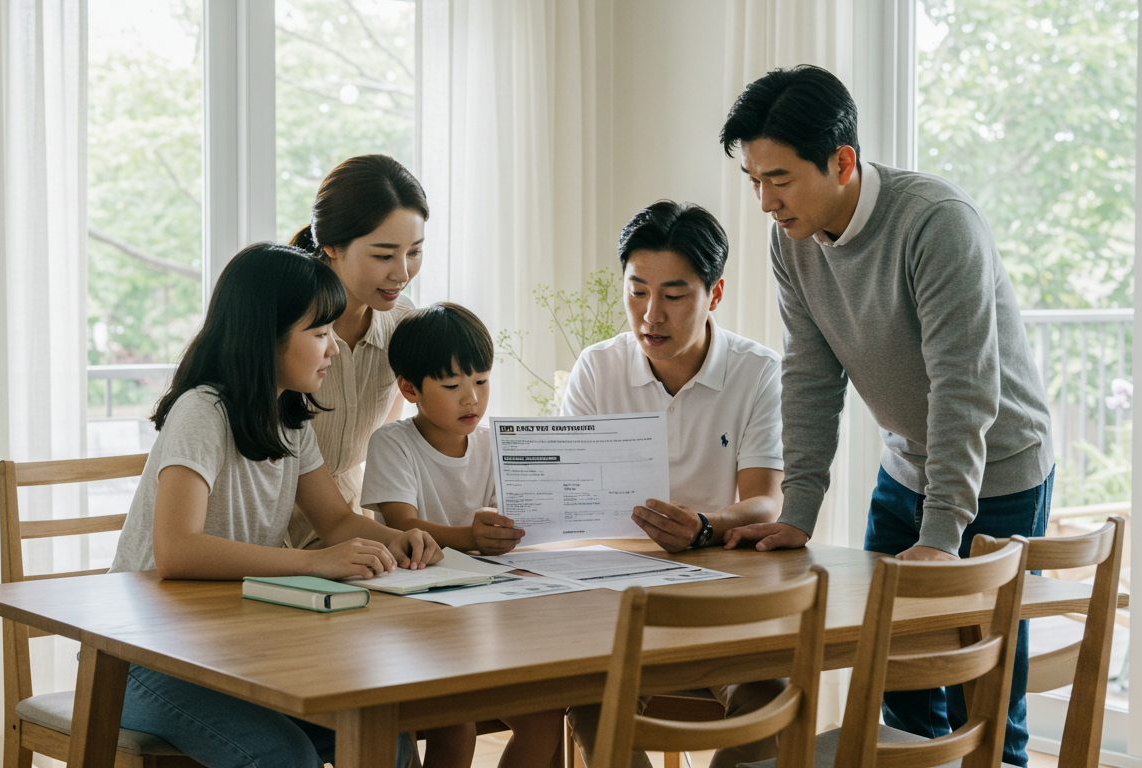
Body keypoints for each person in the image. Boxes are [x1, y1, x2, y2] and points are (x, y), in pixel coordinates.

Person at [719, 65, 1054, 767]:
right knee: (900, 689)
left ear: (841, 162)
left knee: (985, 702)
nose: (765, 202)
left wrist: (942, 535)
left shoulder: (936, 222)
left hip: (997, 472)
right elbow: (810, 376)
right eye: (753, 181)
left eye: (779, 179)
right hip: (905, 468)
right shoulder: (792, 241)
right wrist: (798, 512)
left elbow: (962, 387)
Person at [109, 242, 443, 768]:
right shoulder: (203, 411)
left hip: (228, 651)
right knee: (282, 756)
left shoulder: (290, 418)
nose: (334, 349)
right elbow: (177, 551)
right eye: (319, 333)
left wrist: (398, 540)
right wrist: (312, 562)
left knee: (386, 736)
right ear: (265, 336)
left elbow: (335, 520)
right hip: (142, 658)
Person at [561, 201, 785, 768]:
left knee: (770, 693)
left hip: (724, 596)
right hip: (619, 598)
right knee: (589, 695)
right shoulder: (598, 368)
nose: (650, 314)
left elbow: (765, 500)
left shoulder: (757, 372)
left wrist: (706, 526)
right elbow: (573, 496)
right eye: (637, 291)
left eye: (674, 295)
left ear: (715, 294)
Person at [361, 303, 563, 768]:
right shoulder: (393, 443)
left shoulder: (493, 444)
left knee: (545, 716)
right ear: (409, 389)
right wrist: (471, 536)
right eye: (452, 386)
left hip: (485, 613)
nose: (471, 398)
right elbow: (400, 525)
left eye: (482, 381)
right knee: (456, 726)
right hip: (414, 619)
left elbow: (506, 523)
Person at [287, 154, 429, 547]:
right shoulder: (284, 324)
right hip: (260, 532)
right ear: (331, 245)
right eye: (384, 255)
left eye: (414, 251)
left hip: (347, 528)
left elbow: (387, 437)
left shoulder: (402, 324)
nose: (402, 273)